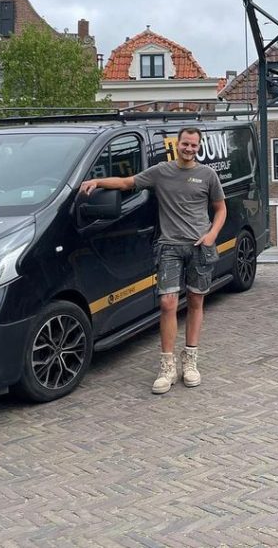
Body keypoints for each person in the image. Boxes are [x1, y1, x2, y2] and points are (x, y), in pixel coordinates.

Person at [80, 126, 226, 394]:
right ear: (177, 144)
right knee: (168, 303)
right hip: (169, 246)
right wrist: (97, 182)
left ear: (199, 147)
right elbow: (127, 183)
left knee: (195, 301)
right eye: (185, 144)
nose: (189, 149)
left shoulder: (208, 175)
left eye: (194, 145)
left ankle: (190, 360)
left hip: (199, 247)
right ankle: (167, 366)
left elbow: (220, 208)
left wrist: (212, 235)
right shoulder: (161, 172)